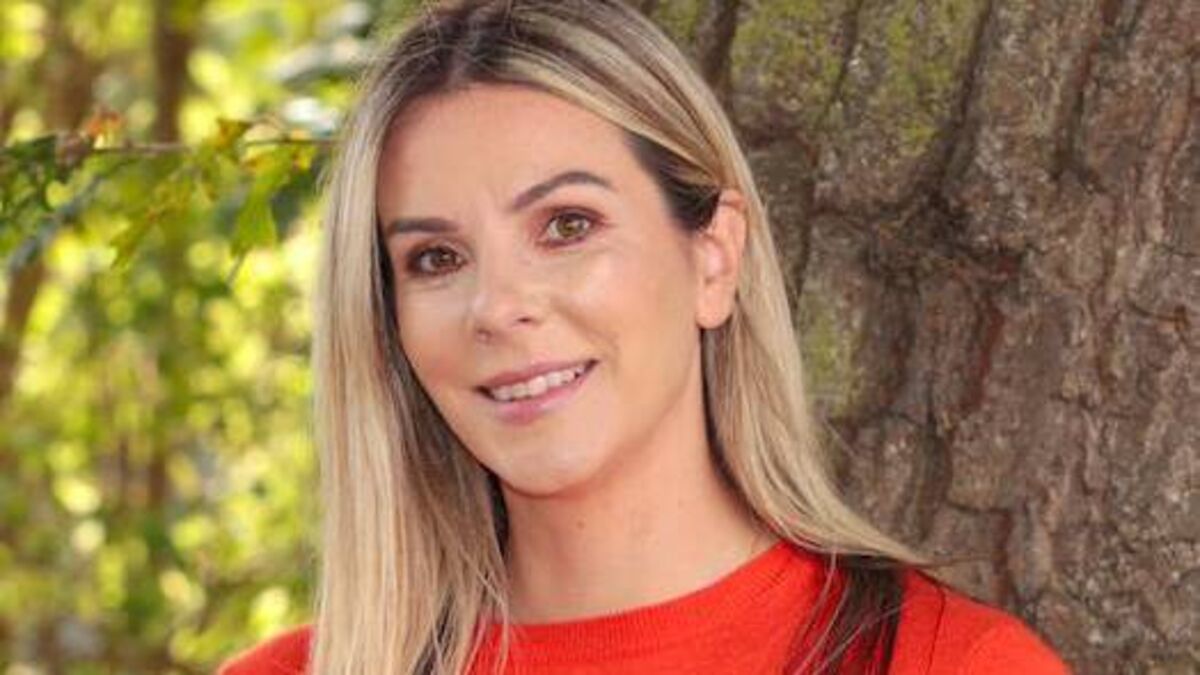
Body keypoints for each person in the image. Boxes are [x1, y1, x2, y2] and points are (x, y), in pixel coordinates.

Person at [220, 1, 1070, 673]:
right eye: (436, 258)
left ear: (714, 256)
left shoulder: (950, 662)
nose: (498, 306)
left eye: (567, 225)